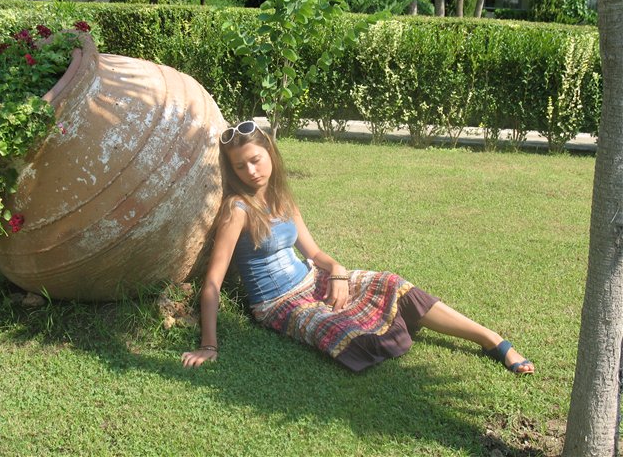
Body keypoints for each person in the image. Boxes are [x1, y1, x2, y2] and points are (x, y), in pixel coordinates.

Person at [181, 121, 535, 374]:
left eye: (256, 159)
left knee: (393, 283)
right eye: (240, 166)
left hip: (310, 279)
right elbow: (212, 283)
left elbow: (314, 254)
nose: (251, 170)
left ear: (270, 153)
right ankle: (393, 322)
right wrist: (208, 345)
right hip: (279, 304)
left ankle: (490, 339)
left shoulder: (282, 197)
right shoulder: (238, 210)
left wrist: (337, 272)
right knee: (350, 336)